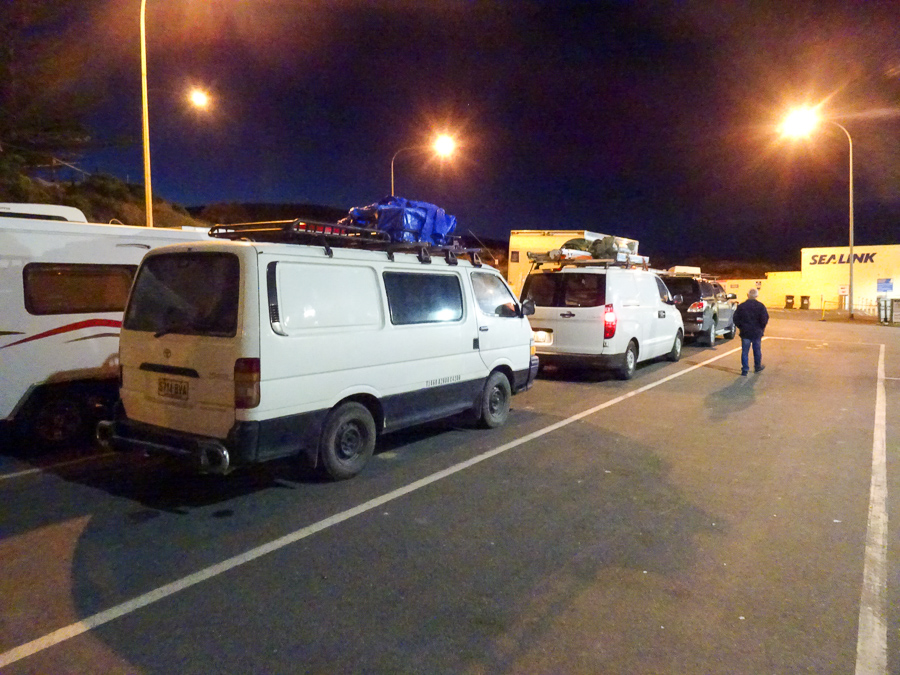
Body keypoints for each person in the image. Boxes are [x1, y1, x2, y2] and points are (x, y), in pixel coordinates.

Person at [732, 288, 769, 376]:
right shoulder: (761, 306)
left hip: (745, 332)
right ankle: (757, 367)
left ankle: (745, 369)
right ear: (756, 296)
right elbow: (765, 319)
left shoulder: (742, 306)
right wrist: (761, 328)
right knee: (757, 350)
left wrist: (741, 327)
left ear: (747, 295)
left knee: (745, 351)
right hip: (756, 332)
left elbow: (735, 318)